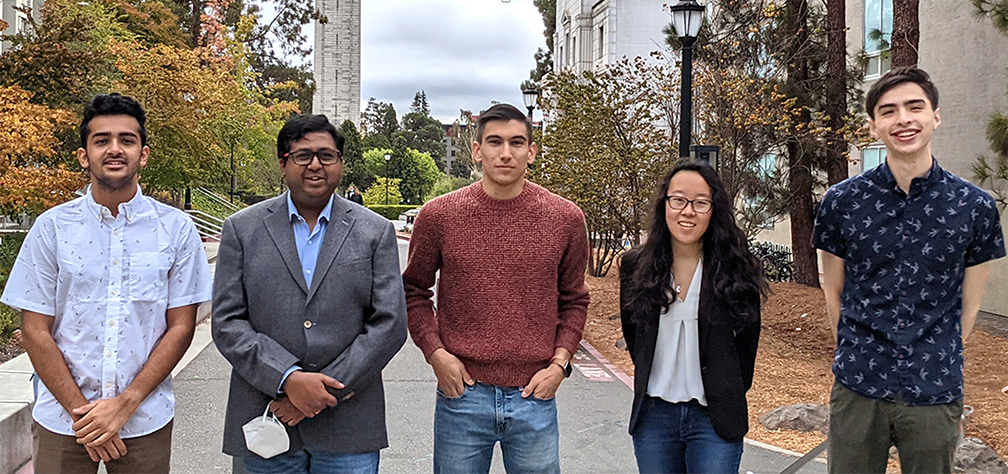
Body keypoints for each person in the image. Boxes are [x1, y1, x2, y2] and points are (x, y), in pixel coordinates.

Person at [0, 93, 213, 473]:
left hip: (144, 418)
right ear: (84, 155)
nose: (114, 149)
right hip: (64, 422)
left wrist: (124, 404)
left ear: (143, 154)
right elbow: (34, 331)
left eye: (126, 140)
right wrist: (87, 417)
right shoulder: (52, 229)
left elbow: (181, 327)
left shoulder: (176, 229)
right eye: (102, 140)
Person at [814, 66, 1005, 474]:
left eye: (914, 107)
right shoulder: (841, 202)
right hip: (858, 387)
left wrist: (934, 353)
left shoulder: (974, 208)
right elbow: (833, 292)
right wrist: (859, 352)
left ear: (935, 116)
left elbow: (970, 307)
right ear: (873, 126)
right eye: (889, 111)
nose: (903, 119)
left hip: (934, 391)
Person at [212, 113, 407, 474]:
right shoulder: (242, 230)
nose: (315, 165)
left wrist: (321, 393)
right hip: (266, 416)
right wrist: (287, 378)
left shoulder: (374, 232)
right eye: (302, 156)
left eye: (326, 155)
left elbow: (389, 324)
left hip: (349, 427)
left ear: (341, 164)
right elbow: (227, 321)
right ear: (284, 163)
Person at [402, 103, 590, 474]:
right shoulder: (439, 216)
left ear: (532, 152)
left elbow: (575, 299)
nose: (506, 153)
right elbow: (414, 292)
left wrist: (560, 364)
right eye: (494, 142)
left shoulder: (565, 219)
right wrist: (436, 353)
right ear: (477, 150)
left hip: (534, 395)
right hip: (462, 395)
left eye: (517, 142)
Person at [619, 161, 766, 474]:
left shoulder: (738, 269)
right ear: (665, 205)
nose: (688, 211)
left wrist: (723, 388)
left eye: (700, 203)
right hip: (654, 419)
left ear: (715, 209)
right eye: (678, 200)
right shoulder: (636, 266)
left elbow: (746, 350)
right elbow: (635, 337)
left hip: (714, 420)